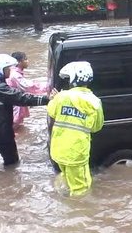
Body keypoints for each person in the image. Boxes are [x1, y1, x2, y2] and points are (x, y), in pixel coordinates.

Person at [0, 54, 54, 168]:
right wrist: (48, 99)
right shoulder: (1, 89)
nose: (10, 71)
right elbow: (23, 98)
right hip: (1, 135)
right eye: (7, 68)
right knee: (12, 165)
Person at [47, 61, 104, 196]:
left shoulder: (61, 97)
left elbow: (51, 111)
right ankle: (78, 213)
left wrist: (53, 99)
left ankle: (65, 203)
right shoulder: (94, 102)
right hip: (77, 153)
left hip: (58, 150)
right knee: (81, 188)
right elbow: (97, 127)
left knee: (67, 178)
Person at [6, 51, 48, 130]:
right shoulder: (15, 75)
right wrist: (47, 87)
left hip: (16, 102)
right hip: (16, 104)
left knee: (18, 126)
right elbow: (29, 87)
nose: (28, 61)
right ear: (19, 62)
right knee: (14, 126)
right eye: (25, 59)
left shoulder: (13, 72)